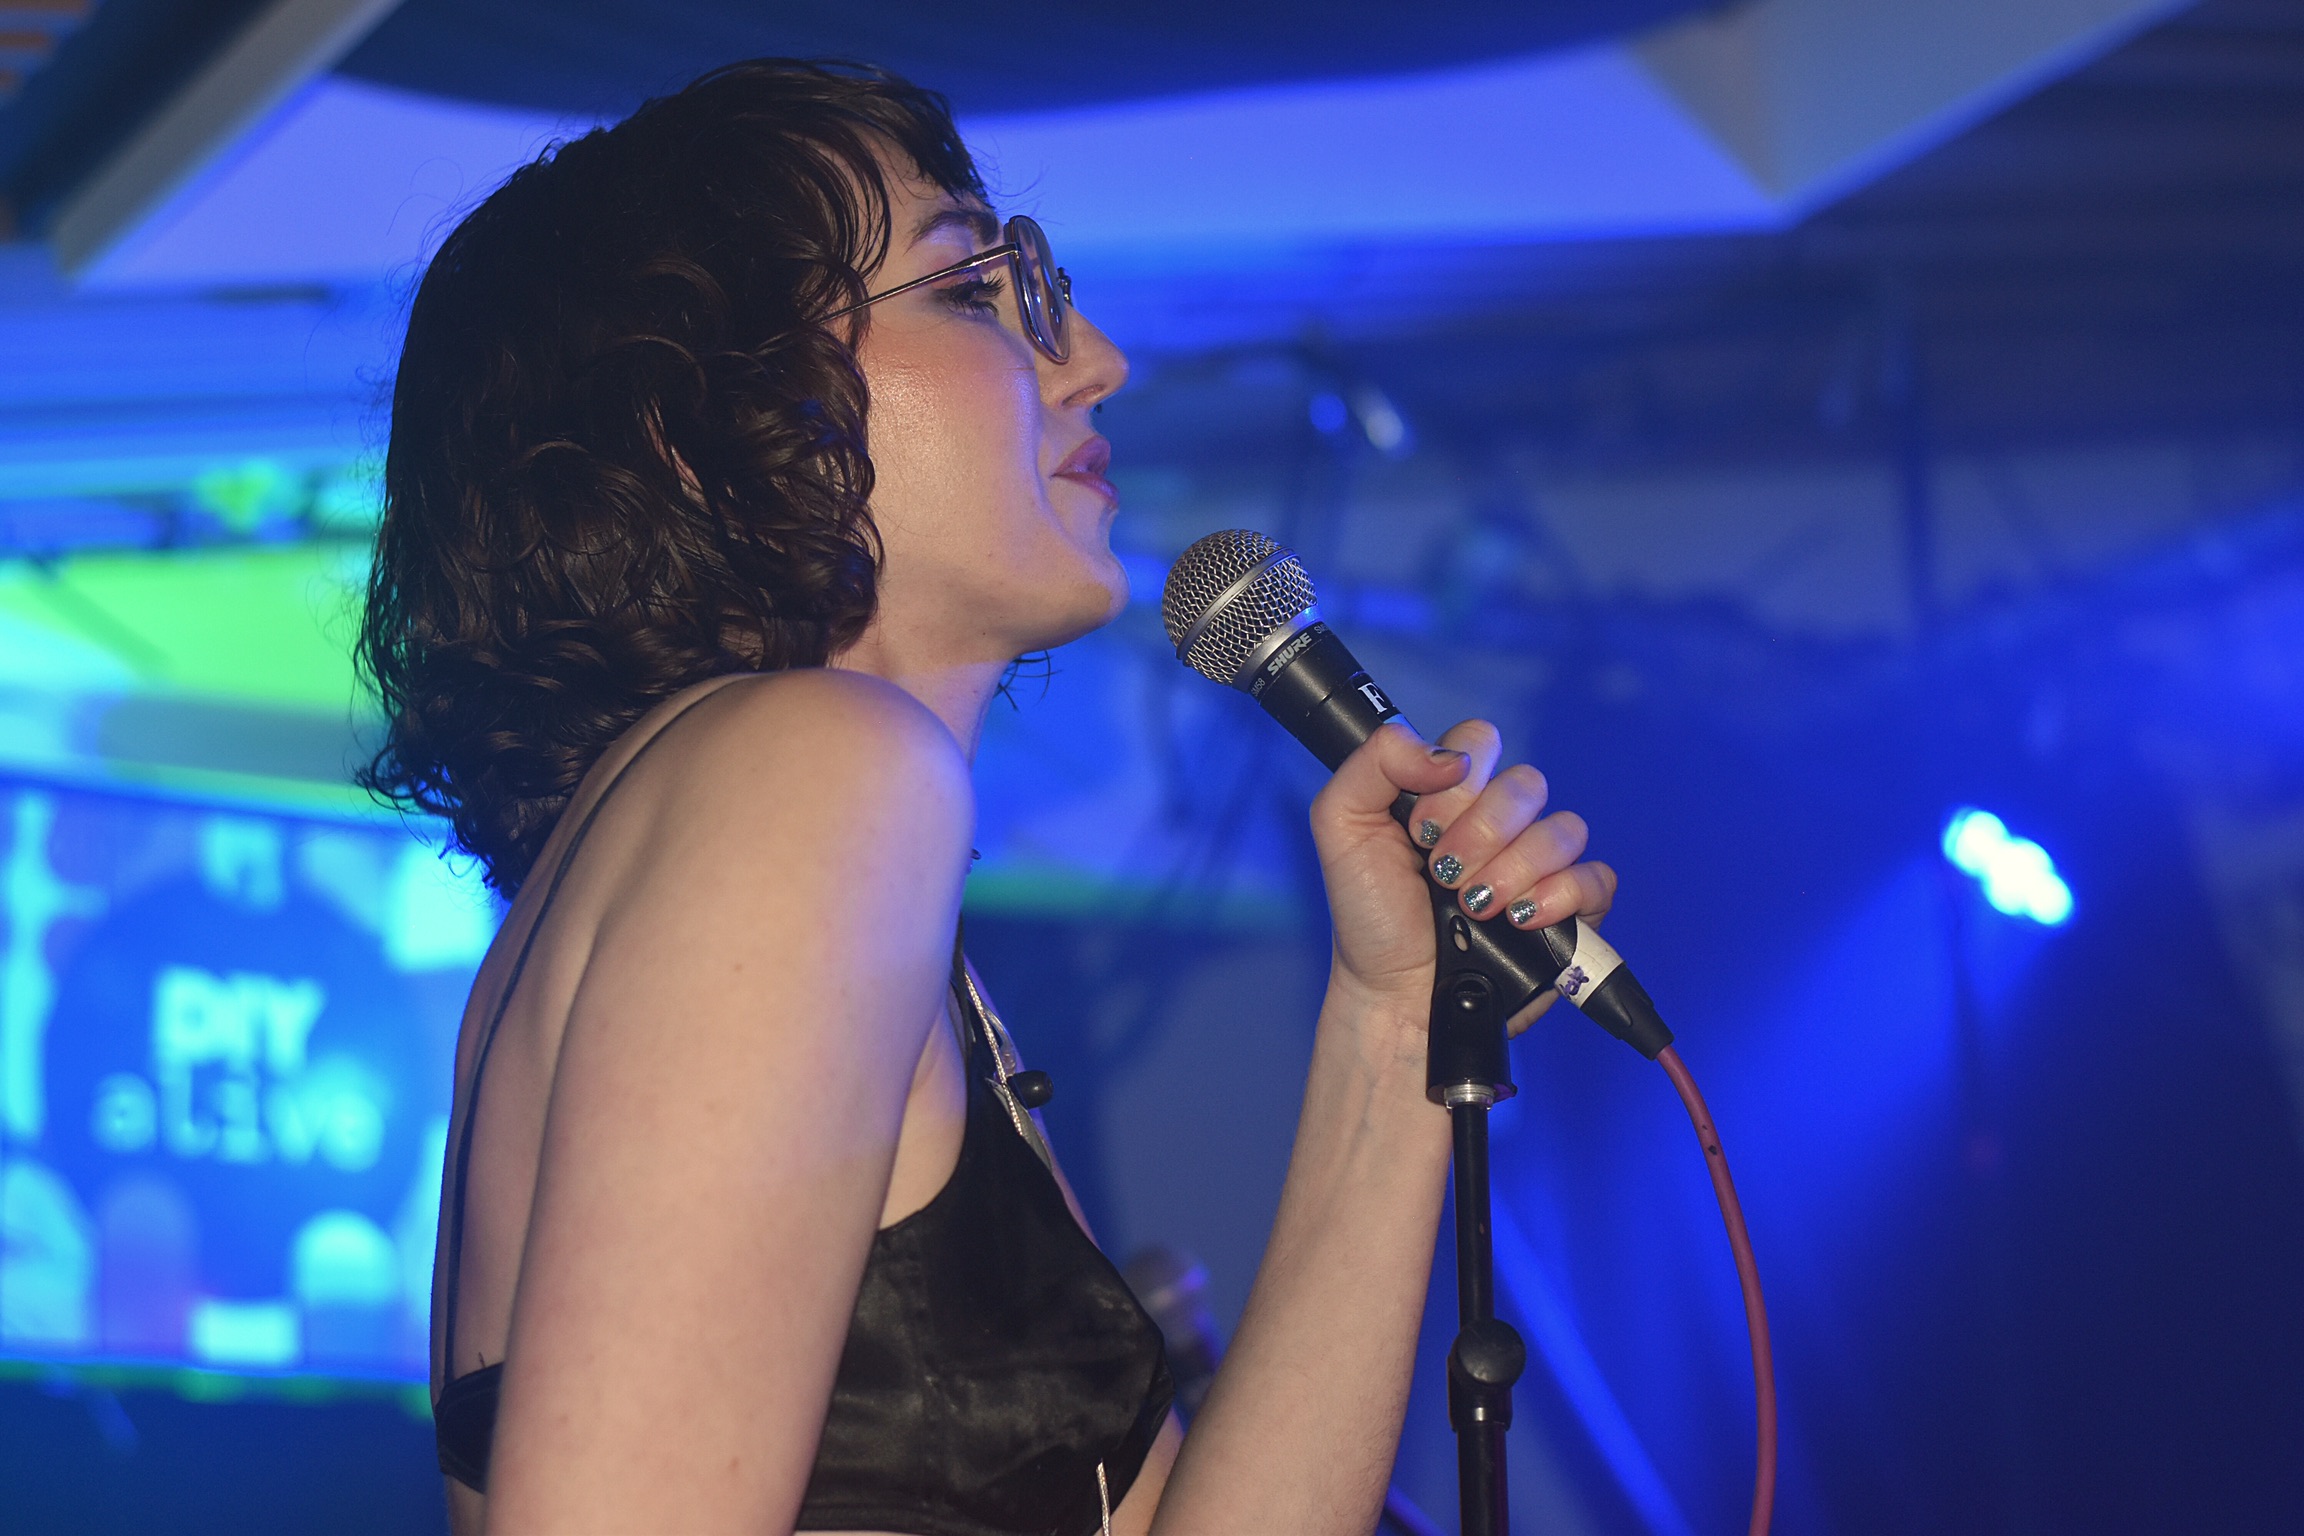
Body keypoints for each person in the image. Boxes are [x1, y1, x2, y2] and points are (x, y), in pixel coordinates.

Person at [358, 58, 1617, 1536]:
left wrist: (1396, 1026)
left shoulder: (781, 817)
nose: (1096, 359)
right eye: (971, 289)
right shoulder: (808, 770)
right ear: (687, 427)